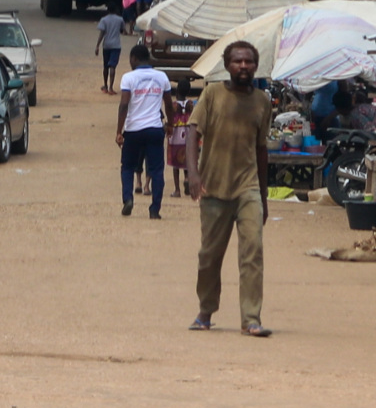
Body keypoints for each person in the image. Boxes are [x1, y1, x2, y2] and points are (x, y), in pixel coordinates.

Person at [188, 39, 275, 336]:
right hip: (213, 188)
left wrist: (263, 196)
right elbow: (192, 132)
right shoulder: (212, 94)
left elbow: (261, 149)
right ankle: (205, 310)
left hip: (247, 188)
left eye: (249, 62)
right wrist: (193, 174)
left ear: (255, 66)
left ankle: (251, 318)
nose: (243, 66)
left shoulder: (263, 101)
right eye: (237, 61)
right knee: (209, 255)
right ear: (227, 65)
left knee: (253, 251)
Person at [115, 43, 172, 220]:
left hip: (133, 130)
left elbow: (124, 104)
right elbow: (169, 103)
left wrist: (119, 131)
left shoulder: (128, 78)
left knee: (128, 167)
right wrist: (170, 124)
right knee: (156, 170)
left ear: (134, 59)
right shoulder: (162, 77)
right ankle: (155, 209)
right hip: (155, 128)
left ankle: (128, 199)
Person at [96, 8, 128, 93]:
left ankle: (105, 86)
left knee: (105, 66)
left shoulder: (104, 19)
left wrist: (97, 46)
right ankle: (111, 88)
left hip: (106, 45)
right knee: (112, 66)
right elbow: (123, 30)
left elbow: (101, 33)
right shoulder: (120, 19)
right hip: (116, 45)